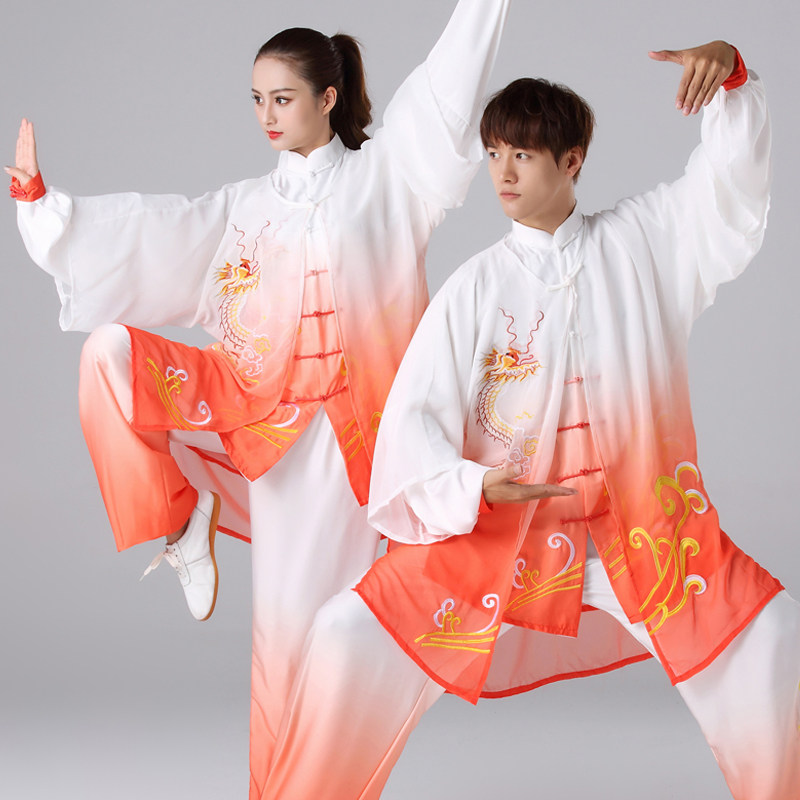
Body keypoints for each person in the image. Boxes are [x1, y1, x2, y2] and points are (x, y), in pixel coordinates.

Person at [255, 41, 799, 799]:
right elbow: (413, 422)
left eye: (523, 154)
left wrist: (734, 79)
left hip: (644, 535)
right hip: (498, 543)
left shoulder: (644, 244)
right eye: (493, 154)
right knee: (345, 633)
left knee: (774, 633)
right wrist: (472, 486)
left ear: (572, 161)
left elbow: (727, 192)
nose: (503, 173)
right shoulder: (475, 288)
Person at [7, 1, 512, 796]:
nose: (266, 115)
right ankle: (181, 519)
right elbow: (153, 232)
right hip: (264, 426)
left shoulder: (389, 178)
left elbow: (447, 87)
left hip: (359, 445)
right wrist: (44, 208)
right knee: (108, 355)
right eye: (256, 99)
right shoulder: (245, 207)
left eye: (282, 98)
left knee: (326, 642)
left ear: (328, 98)